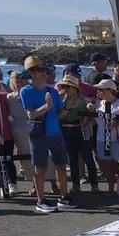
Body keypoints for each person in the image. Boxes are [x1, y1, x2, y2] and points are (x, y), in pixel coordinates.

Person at [19, 56, 76, 213]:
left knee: (61, 165)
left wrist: (68, 107)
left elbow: (59, 115)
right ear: (31, 73)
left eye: (44, 69)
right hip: (39, 135)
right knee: (40, 168)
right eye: (38, 70)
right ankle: (41, 200)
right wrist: (46, 106)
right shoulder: (25, 91)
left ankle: (64, 197)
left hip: (55, 133)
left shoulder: (53, 91)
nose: (43, 72)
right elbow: (31, 115)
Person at [57, 75, 99, 193]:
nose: (65, 88)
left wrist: (90, 108)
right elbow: (59, 116)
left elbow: (90, 107)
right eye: (63, 86)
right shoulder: (60, 98)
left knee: (88, 158)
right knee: (72, 159)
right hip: (66, 131)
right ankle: (76, 185)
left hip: (81, 130)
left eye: (67, 86)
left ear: (74, 88)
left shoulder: (83, 99)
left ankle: (94, 184)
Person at [5, 72, 35, 194]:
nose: (19, 84)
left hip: (35, 129)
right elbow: (7, 115)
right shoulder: (9, 98)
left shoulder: (31, 94)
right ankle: (35, 185)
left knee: (42, 157)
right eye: (16, 81)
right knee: (26, 159)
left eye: (21, 81)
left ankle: (53, 183)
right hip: (20, 131)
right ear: (12, 82)